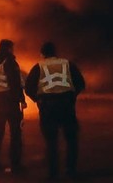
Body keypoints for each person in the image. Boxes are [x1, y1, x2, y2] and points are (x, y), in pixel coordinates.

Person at [25, 42, 85, 180]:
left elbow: (28, 88)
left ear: (42, 53)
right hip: (66, 105)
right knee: (71, 139)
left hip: (48, 107)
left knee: (51, 141)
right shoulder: (68, 64)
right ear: (55, 52)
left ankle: (53, 173)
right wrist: (72, 96)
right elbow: (81, 83)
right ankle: (71, 170)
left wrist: (37, 100)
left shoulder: (38, 66)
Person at [0, 39, 26, 174]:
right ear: (8, 48)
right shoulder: (9, 62)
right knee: (15, 134)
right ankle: (15, 165)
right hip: (10, 103)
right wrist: (21, 99)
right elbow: (15, 83)